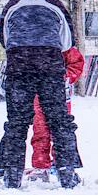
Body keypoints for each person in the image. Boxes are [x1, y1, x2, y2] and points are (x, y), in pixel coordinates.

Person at [0, 0, 81, 189]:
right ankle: (66, 172)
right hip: (49, 67)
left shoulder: (12, 6)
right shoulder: (55, 6)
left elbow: (4, 39)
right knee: (59, 121)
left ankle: (12, 173)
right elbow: (67, 42)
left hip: (19, 67)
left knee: (17, 123)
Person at [27, 42, 85, 180]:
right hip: (39, 94)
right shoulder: (34, 45)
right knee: (40, 130)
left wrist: (64, 77)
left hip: (60, 95)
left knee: (60, 130)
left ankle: (61, 164)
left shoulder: (63, 45)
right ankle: (41, 165)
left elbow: (76, 63)